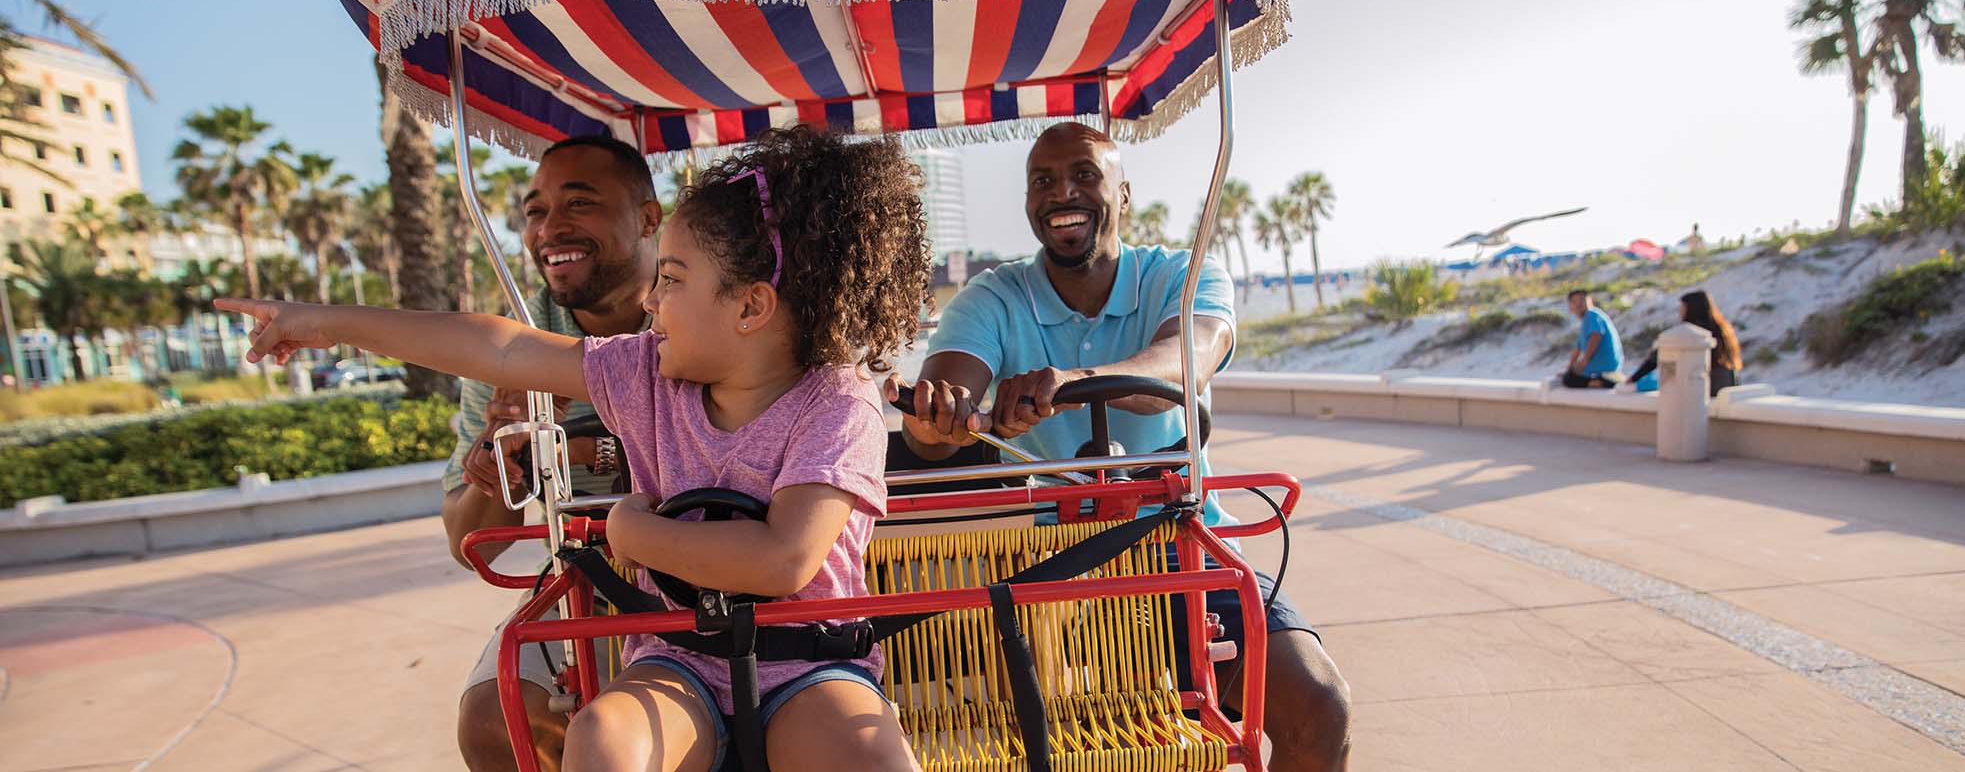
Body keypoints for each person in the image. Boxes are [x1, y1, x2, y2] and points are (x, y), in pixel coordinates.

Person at [219, 125, 932, 772]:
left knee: (862, 752)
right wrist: (328, 323)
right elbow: (498, 344)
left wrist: (631, 531)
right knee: (603, 738)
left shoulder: (836, 402)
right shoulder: (643, 373)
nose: (652, 302)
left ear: (751, 306)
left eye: (673, 280)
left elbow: (783, 559)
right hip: (677, 654)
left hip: (807, 662)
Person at [888, 122, 1353, 771]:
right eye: (1042, 181)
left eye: (1083, 174)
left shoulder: (1182, 275)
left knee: (1318, 704)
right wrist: (936, 417)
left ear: (1124, 194)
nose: (1062, 193)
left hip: (1178, 542)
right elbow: (947, 395)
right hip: (1043, 559)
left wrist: (1071, 382)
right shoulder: (994, 297)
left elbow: (1184, 362)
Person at [440, 135, 660, 771]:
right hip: (586, 570)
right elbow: (468, 542)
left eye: (579, 203)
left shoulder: (701, 307)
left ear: (649, 219)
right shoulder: (510, 342)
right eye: (535, 211)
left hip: (717, 557)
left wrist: (578, 447)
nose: (549, 229)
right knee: (493, 722)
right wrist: (500, 462)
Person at [1624, 289, 1743, 395]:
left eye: (1682, 307)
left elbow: (1656, 357)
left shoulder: (1693, 332)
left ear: (1691, 309)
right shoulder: (1722, 329)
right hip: (1727, 384)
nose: (1680, 312)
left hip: (1706, 388)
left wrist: (1633, 378)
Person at [1561, 288, 1624, 388]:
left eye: (1582, 300)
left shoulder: (1592, 315)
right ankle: (1599, 381)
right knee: (1568, 376)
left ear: (1590, 301)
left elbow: (1596, 336)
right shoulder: (1587, 321)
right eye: (1574, 301)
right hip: (1604, 368)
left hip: (1605, 369)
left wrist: (1584, 361)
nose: (1578, 304)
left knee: (1569, 380)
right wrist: (1569, 368)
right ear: (1570, 306)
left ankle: (1602, 382)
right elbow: (1578, 349)